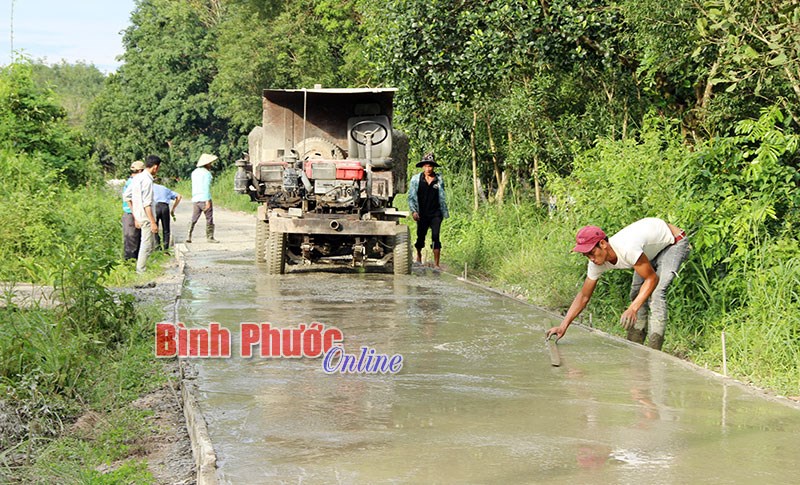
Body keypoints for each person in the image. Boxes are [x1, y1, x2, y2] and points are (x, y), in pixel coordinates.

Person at [546, 217, 690, 350]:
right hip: (651, 249)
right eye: (586, 255)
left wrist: (632, 309)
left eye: (591, 253)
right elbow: (584, 296)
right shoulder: (596, 263)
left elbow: (652, 279)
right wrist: (563, 326)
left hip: (673, 242)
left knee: (657, 293)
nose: (590, 259)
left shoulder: (627, 249)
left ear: (603, 244)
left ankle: (654, 352)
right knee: (636, 293)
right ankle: (635, 346)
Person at [407, 152, 449, 269]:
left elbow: (442, 196)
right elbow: (411, 196)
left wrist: (443, 211)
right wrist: (414, 211)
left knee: (435, 236)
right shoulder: (416, 179)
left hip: (436, 213)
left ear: (433, 167)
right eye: (425, 166)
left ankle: (436, 264)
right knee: (421, 235)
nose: (428, 168)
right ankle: (419, 255)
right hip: (422, 213)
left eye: (430, 166)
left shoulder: (439, 179)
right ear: (422, 167)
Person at [124, 155, 162, 274]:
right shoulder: (147, 181)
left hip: (139, 216)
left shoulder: (136, 178)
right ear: (155, 167)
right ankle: (141, 270)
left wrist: (135, 214)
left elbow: (126, 196)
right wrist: (153, 222)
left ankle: (142, 267)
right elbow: (147, 204)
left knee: (145, 244)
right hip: (146, 217)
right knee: (146, 244)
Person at [187, 153, 219, 244]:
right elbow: (206, 187)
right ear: (207, 164)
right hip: (204, 198)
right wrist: (208, 200)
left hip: (196, 198)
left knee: (194, 218)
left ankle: (188, 235)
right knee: (209, 218)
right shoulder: (207, 174)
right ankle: (210, 237)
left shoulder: (194, 172)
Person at [122, 161, 144, 260]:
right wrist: (136, 217)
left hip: (132, 214)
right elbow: (129, 199)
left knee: (136, 241)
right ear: (140, 171)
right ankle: (130, 265)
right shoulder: (134, 182)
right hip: (131, 214)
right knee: (131, 242)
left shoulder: (131, 181)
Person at [153, 182, 182, 252]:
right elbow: (179, 196)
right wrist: (173, 209)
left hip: (155, 207)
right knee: (166, 229)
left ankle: (158, 247)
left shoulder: (150, 187)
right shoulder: (165, 188)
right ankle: (166, 249)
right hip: (165, 207)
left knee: (154, 227)